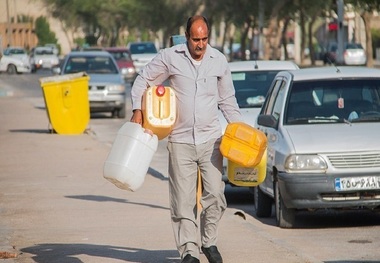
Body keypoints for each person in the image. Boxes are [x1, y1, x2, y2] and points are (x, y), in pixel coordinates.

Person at [130, 15, 242, 263]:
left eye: (204, 39)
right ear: (187, 37)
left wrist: (242, 131)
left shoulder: (219, 61)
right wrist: (137, 110)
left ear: (208, 37)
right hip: (180, 141)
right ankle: (190, 251)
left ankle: (208, 242)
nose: (200, 45)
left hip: (212, 141)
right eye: (195, 39)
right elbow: (143, 80)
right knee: (183, 201)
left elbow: (227, 102)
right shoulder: (171, 57)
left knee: (215, 196)